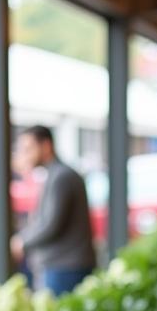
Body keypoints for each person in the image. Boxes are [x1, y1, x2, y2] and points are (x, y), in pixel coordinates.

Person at [10, 126, 95, 295]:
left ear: (46, 146)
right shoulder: (57, 174)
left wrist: (22, 241)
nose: (25, 155)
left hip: (65, 268)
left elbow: (50, 224)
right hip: (64, 266)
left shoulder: (61, 176)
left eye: (29, 149)